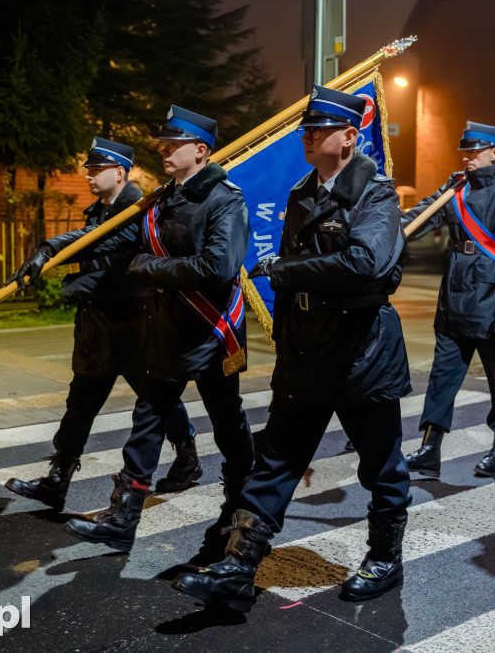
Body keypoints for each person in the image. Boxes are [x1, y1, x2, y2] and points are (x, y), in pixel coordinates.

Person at [171, 85, 412, 611]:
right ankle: (237, 566)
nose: (308, 137)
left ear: (349, 137)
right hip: (306, 354)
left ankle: (385, 558)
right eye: (306, 130)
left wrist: (285, 271)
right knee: (275, 462)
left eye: (319, 130)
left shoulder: (377, 193)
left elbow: (365, 264)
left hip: (361, 355)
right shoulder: (304, 191)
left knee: (381, 466)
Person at [57, 110, 255, 555]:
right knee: (146, 422)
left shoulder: (225, 200)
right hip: (165, 331)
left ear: (200, 150)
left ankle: (240, 503)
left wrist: (151, 267)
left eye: (173, 144)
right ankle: (123, 517)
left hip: (209, 333)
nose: (163, 150)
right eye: (162, 145)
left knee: (227, 421)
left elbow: (218, 267)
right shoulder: (163, 199)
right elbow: (113, 240)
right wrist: (53, 249)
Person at [4, 137, 198, 514]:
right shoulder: (100, 210)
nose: (89, 176)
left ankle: (187, 457)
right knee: (80, 405)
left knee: (160, 402)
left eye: (97, 170)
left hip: (132, 327)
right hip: (97, 328)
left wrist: (56, 254)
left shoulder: (139, 210)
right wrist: (51, 253)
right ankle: (56, 482)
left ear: (120, 172)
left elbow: (105, 244)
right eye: (89, 170)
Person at [401, 121, 495, 478]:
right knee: (442, 377)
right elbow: (421, 218)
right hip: (455, 297)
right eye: (465, 151)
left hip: (493, 302)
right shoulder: (456, 189)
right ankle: (430, 447)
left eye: (475, 151)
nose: (468, 158)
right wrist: (384, 230)